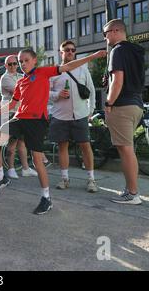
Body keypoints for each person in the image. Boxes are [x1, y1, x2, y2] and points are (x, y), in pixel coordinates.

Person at [0, 48, 106, 215]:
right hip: (20, 118)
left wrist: (92, 56)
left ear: (35, 60)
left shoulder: (42, 72)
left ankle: (46, 198)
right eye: (21, 62)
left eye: (26, 60)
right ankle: (0, 177)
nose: (23, 64)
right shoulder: (21, 82)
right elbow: (12, 105)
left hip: (37, 121)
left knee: (36, 160)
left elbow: (68, 66)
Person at [103, 19, 146, 205]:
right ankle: (130, 190)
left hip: (122, 105)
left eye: (105, 34)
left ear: (115, 31)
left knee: (126, 150)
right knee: (128, 149)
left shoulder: (117, 51)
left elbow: (117, 81)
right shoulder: (136, 51)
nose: (105, 38)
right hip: (136, 103)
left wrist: (108, 103)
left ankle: (133, 193)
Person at [49, 40, 98, 193]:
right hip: (59, 116)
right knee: (62, 147)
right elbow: (45, 93)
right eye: (67, 50)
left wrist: (91, 110)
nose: (70, 52)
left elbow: (91, 90)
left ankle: (91, 180)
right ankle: (64, 179)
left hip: (81, 115)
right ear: (61, 52)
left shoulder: (83, 69)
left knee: (85, 146)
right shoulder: (54, 71)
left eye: (72, 50)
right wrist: (57, 94)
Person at [0, 55, 38, 179]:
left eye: (15, 63)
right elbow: (21, 91)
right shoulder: (5, 78)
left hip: (21, 112)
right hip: (11, 113)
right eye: (10, 64)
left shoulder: (21, 76)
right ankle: (11, 169)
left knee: (22, 142)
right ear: (6, 66)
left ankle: (25, 168)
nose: (13, 66)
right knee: (12, 142)